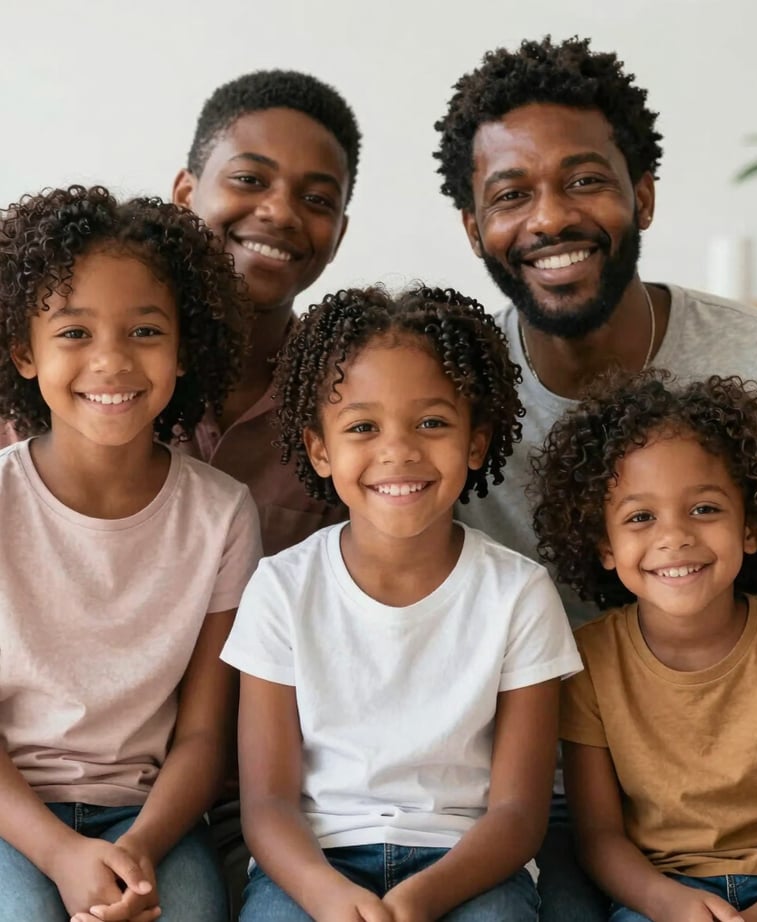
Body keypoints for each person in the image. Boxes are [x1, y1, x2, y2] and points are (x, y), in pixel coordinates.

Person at [434, 34, 757, 920]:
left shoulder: (756, 365)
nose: (549, 219)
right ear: (474, 228)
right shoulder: (446, 410)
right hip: (528, 805)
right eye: (510, 195)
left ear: (642, 196)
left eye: (585, 180)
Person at [221, 285, 583, 921]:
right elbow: (269, 805)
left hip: (468, 863)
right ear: (320, 450)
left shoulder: (519, 594)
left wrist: (420, 899)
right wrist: (327, 895)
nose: (399, 450)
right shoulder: (281, 588)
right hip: (315, 863)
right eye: (363, 426)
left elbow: (518, 813)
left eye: (432, 422)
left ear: (476, 442)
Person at [0, 185, 262, 922]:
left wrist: (138, 854)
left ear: (185, 351)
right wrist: (58, 854)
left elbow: (206, 734)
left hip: (150, 819)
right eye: (74, 333)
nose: (111, 362)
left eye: (145, 332)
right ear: (24, 351)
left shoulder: (221, 515)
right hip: (12, 818)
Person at [529, 370, 757, 922]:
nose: (673, 537)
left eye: (704, 509)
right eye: (640, 517)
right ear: (604, 546)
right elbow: (600, 837)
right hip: (659, 893)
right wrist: (672, 904)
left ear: (750, 527)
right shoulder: (588, 663)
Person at [171, 69, 362, 556]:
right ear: (185, 196)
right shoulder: (85, 365)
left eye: (316, 199)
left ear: (338, 234)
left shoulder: (349, 403)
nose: (280, 212)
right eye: (250, 179)